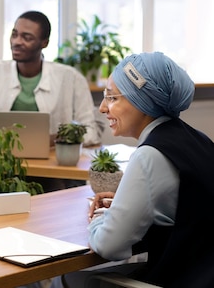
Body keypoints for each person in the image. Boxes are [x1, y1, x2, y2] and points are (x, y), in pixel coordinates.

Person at [56, 52, 214, 287]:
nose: (102, 108)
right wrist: (125, 204)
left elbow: (108, 246)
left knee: (67, 279)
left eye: (111, 98)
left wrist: (103, 217)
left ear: (142, 100)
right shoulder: (199, 140)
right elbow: (181, 208)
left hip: (179, 278)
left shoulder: (149, 155)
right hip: (200, 274)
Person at [0, 10, 102, 191]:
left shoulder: (70, 78)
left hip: (50, 170)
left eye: (27, 37)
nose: (17, 42)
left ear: (44, 43)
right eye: (14, 34)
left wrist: (54, 139)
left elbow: (90, 132)